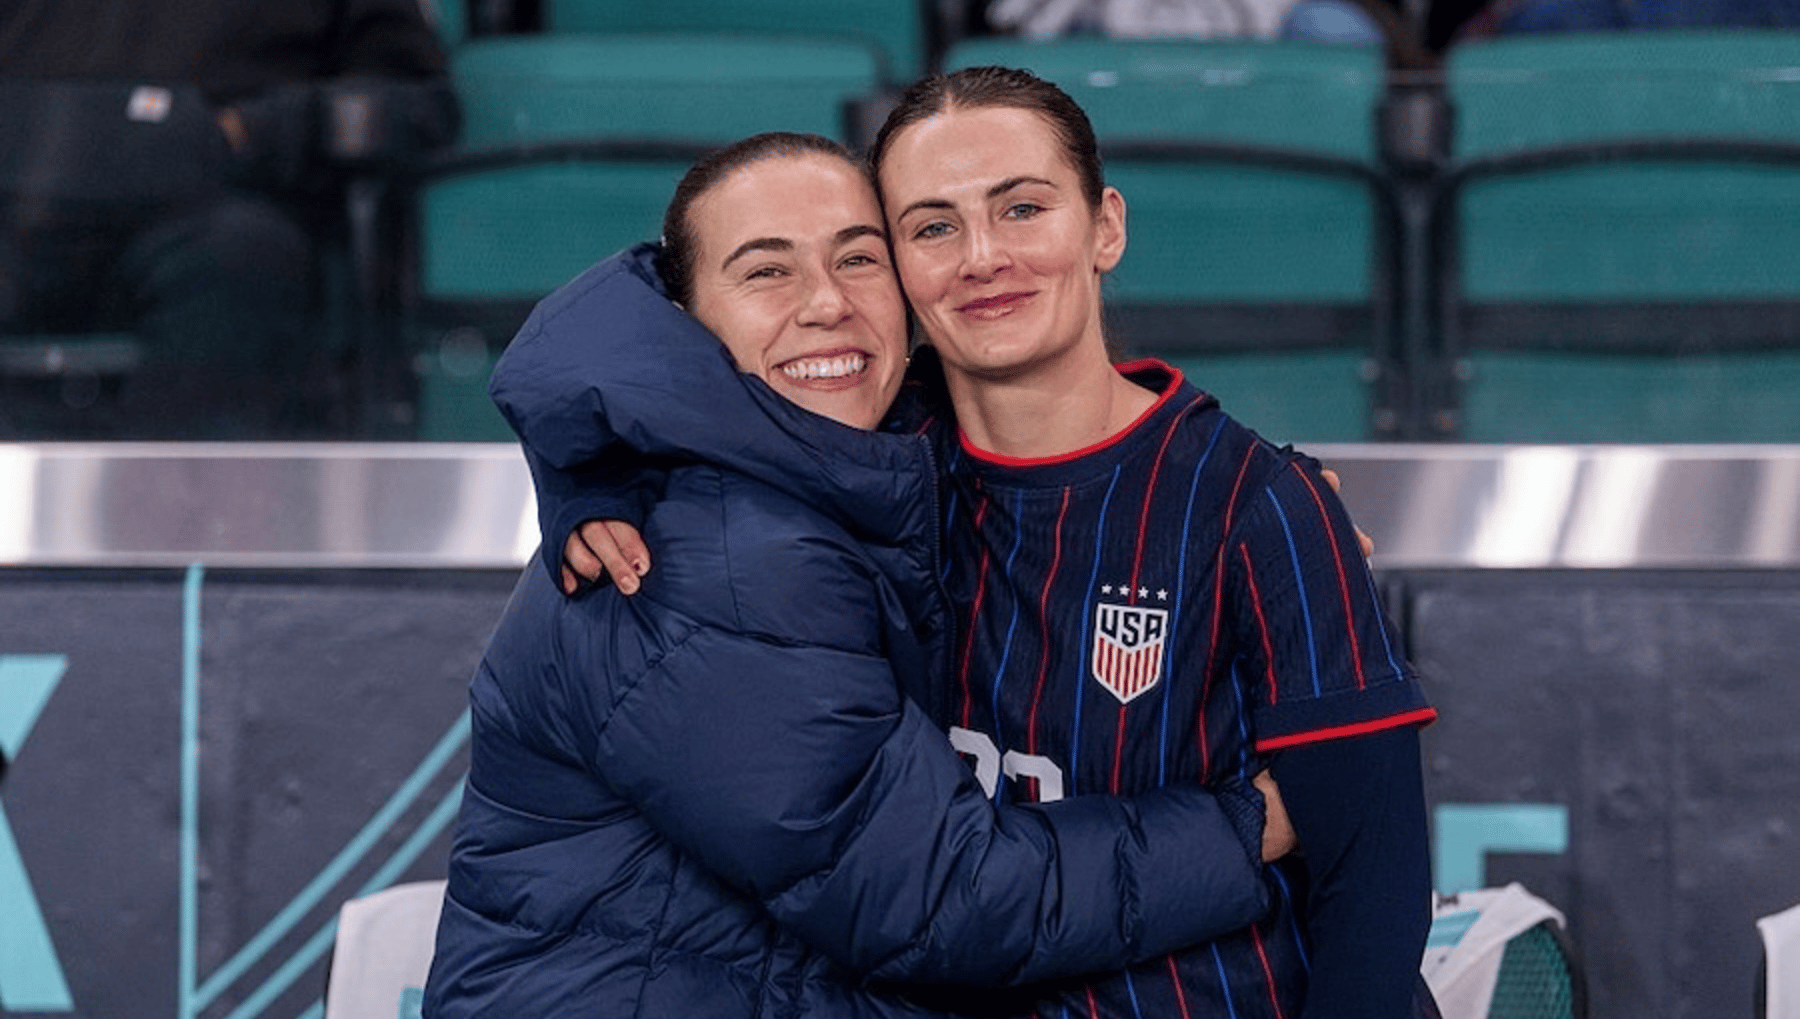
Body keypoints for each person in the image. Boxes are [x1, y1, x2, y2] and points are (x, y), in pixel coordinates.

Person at [558, 67, 1441, 1018]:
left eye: (1022, 208)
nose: (982, 256)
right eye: (933, 227)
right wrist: (588, 479)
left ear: (1105, 227)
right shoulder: (856, 465)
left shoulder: (1257, 503)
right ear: (896, 266)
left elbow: (1374, 896)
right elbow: (619, 372)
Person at [423, 131, 1295, 1017]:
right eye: (767, 272)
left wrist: (1256, 509)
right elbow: (944, 902)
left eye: (858, 258)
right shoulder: (713, 558)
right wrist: (1247, 826)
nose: (827, 303)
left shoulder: (856, 469)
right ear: (686, 320)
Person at [0, 0, 458, 438]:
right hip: (27, 202)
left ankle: (179, 492)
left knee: (243, 260)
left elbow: (418, 105)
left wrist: (251, 132)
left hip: (215, 208)